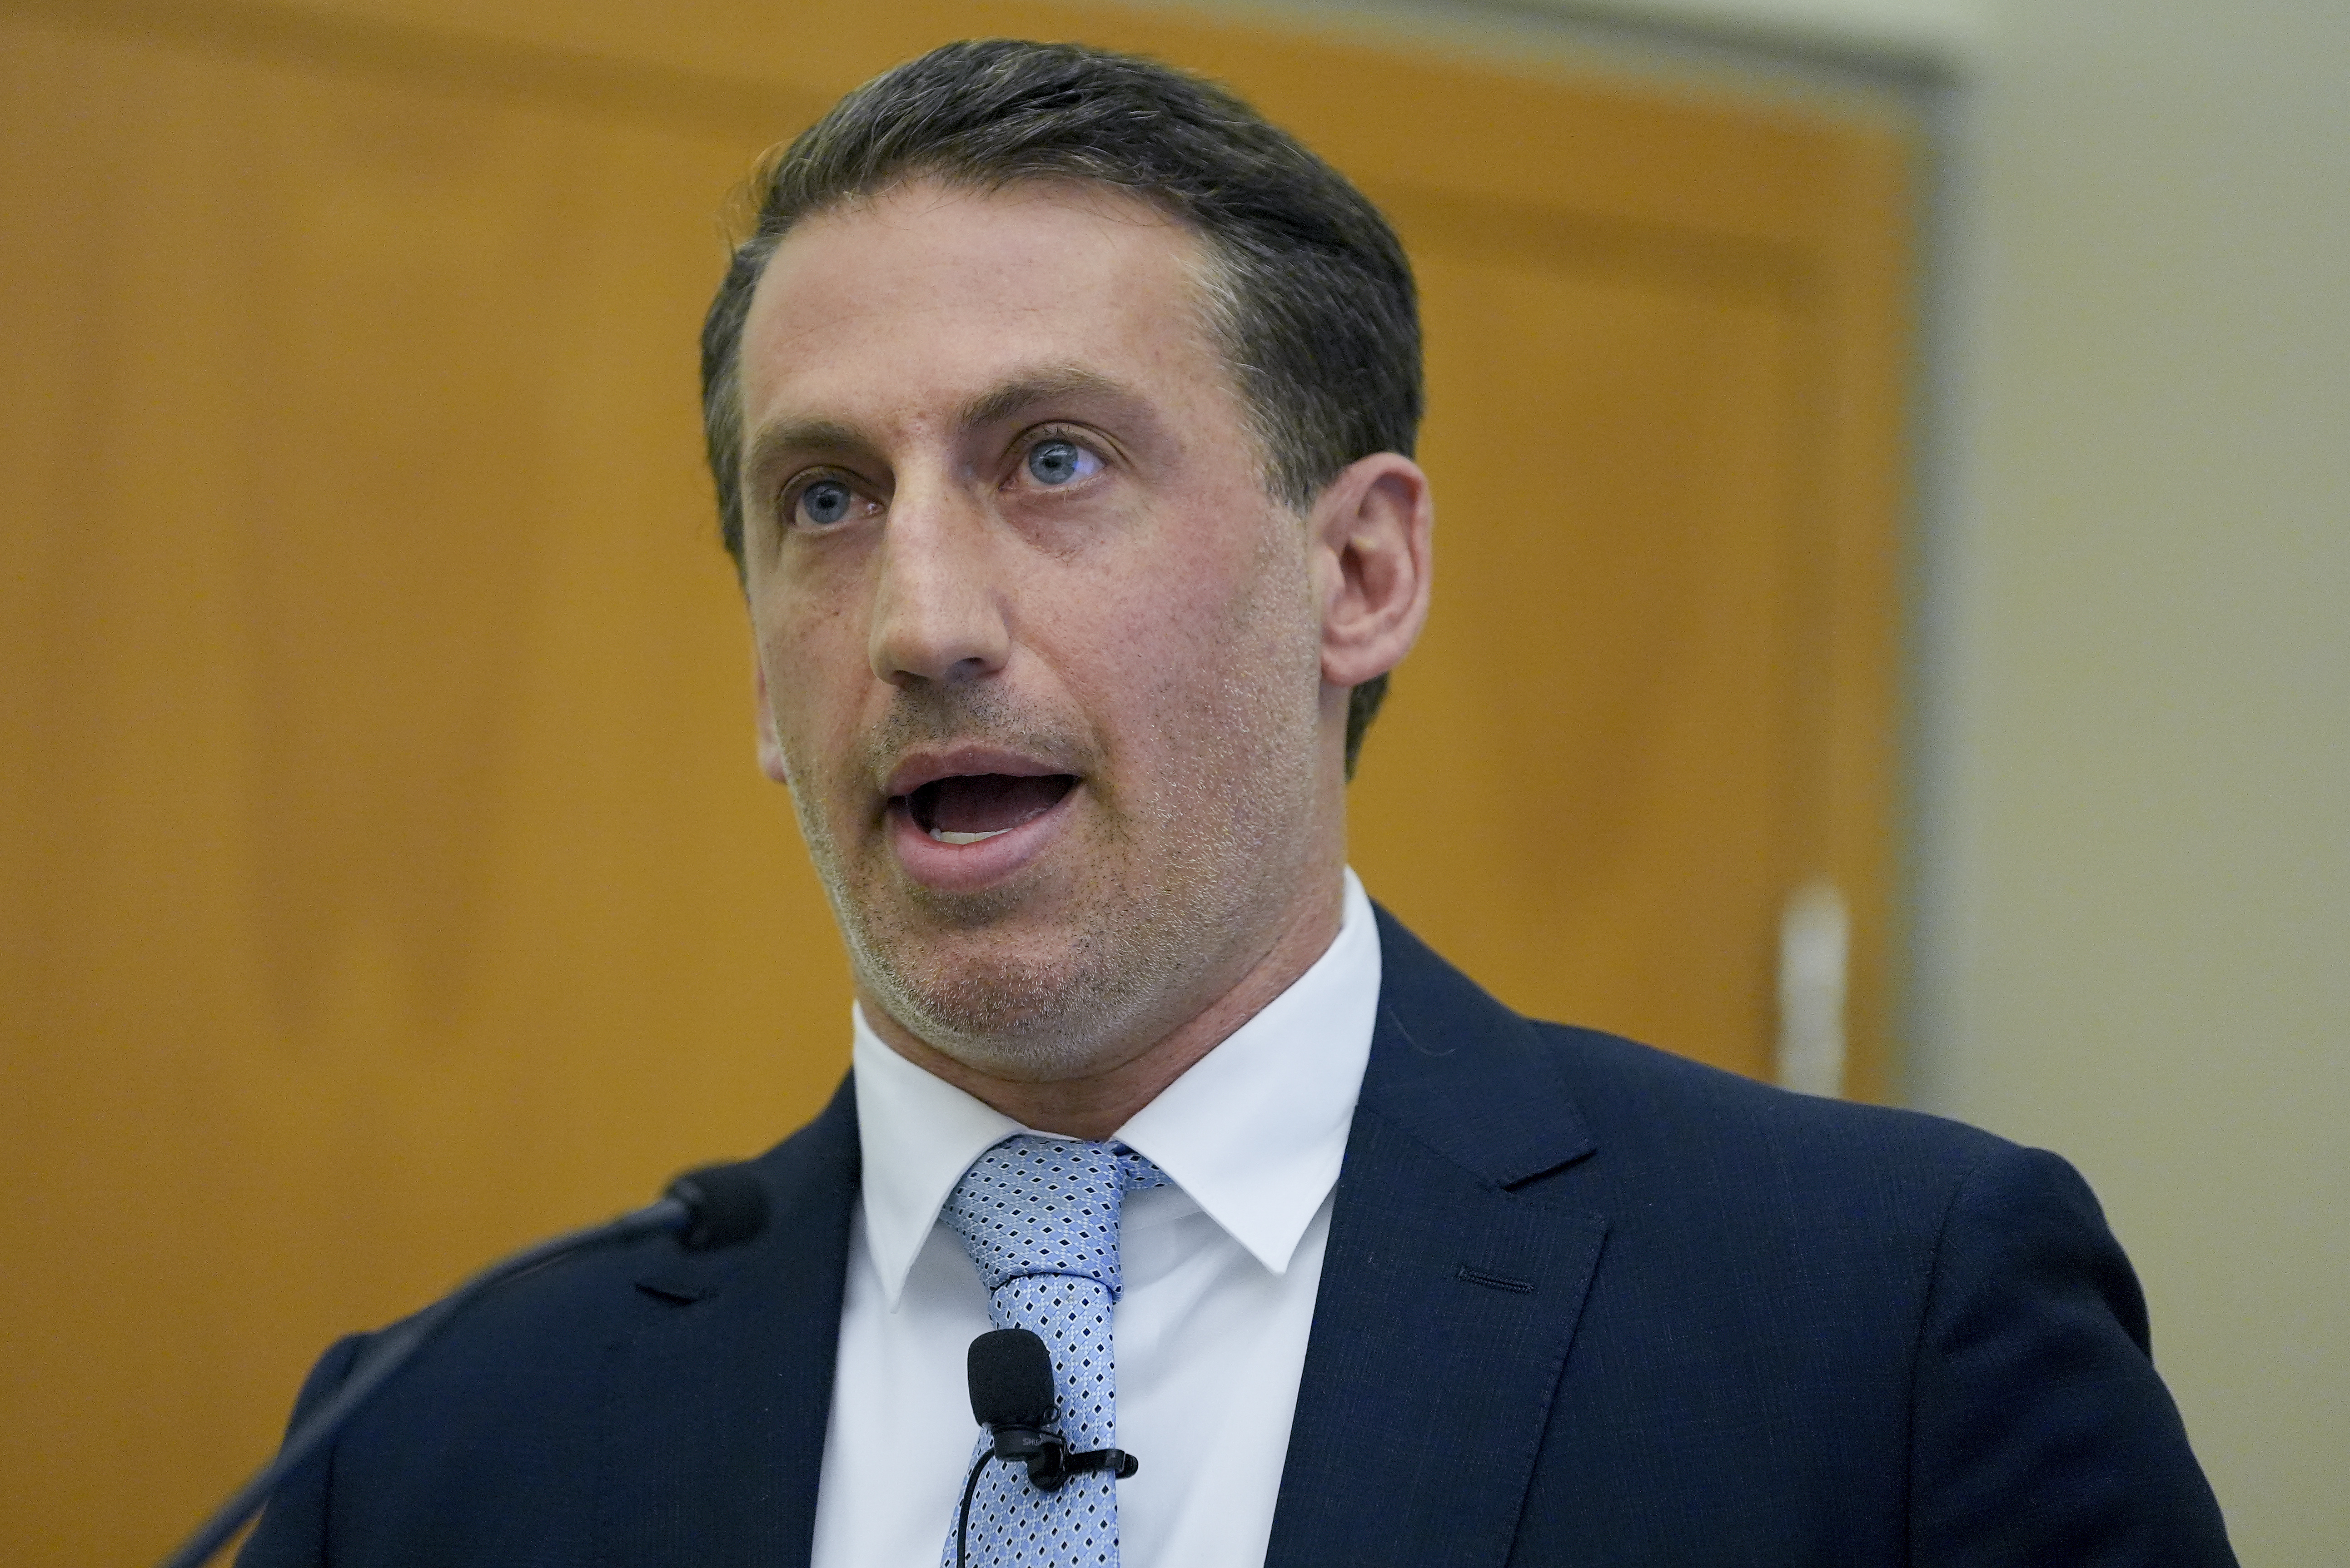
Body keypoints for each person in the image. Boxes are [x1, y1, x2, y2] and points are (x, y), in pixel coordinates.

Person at [239, 39, 2235, 1568]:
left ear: (1356, 575)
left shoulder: (1883, 1329)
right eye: (826, 500)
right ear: (764, 670)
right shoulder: (432, 1444)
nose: (920, 621)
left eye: (1056, 461)